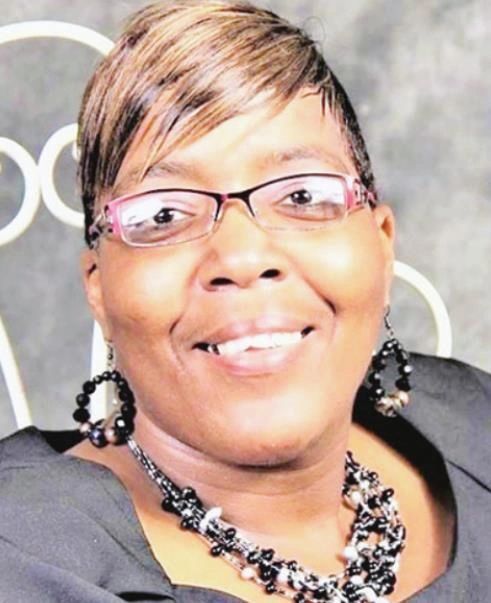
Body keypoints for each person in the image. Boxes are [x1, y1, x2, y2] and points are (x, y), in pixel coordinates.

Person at [0, 1, 489, 602]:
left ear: (382, 244)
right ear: (98, 286)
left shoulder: (474, 425)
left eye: (303, 196)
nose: (241, 257)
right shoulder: (23, 564)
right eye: (165, 214)